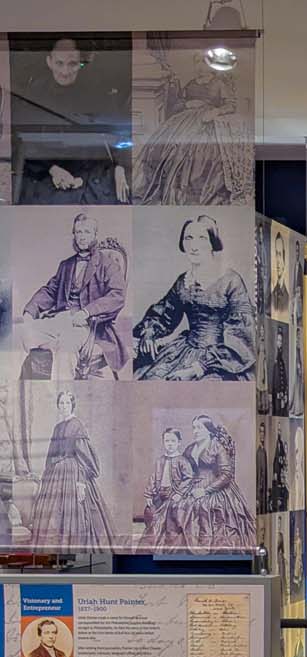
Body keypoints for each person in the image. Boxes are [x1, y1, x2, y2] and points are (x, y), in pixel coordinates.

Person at [133, 214, 255, 380]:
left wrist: (198, 369)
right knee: (152, 380)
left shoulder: (231, 281)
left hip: (221, 361)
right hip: (184, 350)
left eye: (202, 238)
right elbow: (165, 315)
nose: (194, 246)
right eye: (188, 238)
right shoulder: (184, 281)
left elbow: (242, 335)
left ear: (213, 243)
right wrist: (149, 332)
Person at [13, 38, 130, 205]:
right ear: (49, 62)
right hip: (45, 173)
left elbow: (116, 134)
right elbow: (24, 143)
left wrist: (120, 167)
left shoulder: (97, 92)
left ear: (81, 63)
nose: (65, 71)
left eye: (72, 64)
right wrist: (52, 169)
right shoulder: (33, 95)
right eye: (59, 63)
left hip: (92, 172)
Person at [16, 212, 130, 381]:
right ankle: (33, 388)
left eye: (86, 232)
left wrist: (86, 312)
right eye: (78, 232)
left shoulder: (108, 265)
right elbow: (50, 290)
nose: (82, 237)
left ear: (95, 235)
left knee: (66, 348)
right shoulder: (66, 265)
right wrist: (30, 312)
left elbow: (117, 296)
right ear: (74, 235)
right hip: (62, 318)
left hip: (89, 324)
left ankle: (64, 395)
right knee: (24, 332)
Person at [133, 53, 249, 205]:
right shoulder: (191, 84)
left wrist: (215, 112)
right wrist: (187, 104)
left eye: (203, 62)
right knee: (167, 143)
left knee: (197, 148)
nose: (200, 67)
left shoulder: (219, 83)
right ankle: (164, 181)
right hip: (185, 119)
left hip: (207, 118)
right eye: (197, 63)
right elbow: (177, 105)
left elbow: (231, 105)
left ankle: (189, 187)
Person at [29, 390, 114, 551]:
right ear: (58, 406)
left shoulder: (77, 425)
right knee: (52, 515)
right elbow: (51, 454)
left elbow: (84, 457)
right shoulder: (57, 427)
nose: (64, 406)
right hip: (55, 475)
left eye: (67, 403)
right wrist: (46, 477)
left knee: (76, 514)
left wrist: (81, 482)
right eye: (61, 403)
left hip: (74, 474)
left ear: (72, 405)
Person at [168, 414, 255, 553]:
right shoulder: (190, 449)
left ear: (208, 429)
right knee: (177, 505)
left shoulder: (217, 447)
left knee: (205, 506)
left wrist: (205, 491)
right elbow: (183, 469)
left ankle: (206, 548)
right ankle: (183, 550)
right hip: (192, 485)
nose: (195, 431)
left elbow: (227, 474)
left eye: (199, 428)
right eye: (194, 428)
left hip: (216, 487)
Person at [139, 427, 194, 548]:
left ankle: (169, 542)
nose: (170, 444)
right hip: (160, 494)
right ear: (163, 442)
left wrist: (179, 493)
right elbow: (153, 477)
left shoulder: (182, 461)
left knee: (169, 516)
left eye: (173, 441)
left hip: (174, 494)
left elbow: (189, 478)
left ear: (179, 442)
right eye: (167, 441)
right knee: (150, 512)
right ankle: (153, 540)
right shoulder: (160, 460)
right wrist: (149, 494)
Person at [270, 231, 290, 321]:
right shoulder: (271, 295)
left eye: (280, 255)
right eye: (276, 254)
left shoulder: (288, 298)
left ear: (284, 259)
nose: (277, 260)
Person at [256, 420, 268, 515]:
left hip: (263, 491)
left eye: (263, 432)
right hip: (259, 492)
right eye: (260, 431)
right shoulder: (259, 452)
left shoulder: (264, 451)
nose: (262, 434)